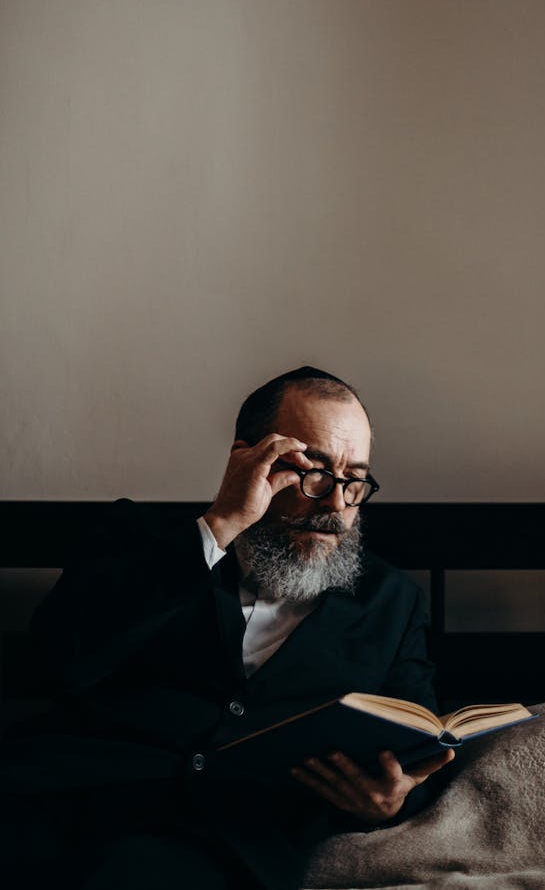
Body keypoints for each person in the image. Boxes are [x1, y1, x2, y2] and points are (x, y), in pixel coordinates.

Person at [2, 366, 455, 889]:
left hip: (227, 846)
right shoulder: (135, 540)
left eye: (353, 480)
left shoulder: (392, 603)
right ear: (249, 459)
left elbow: (419, 742)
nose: (336, 504)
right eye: (314, 472)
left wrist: (391, 800)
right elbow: (55, 663)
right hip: (61, 810)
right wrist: (221, 525)